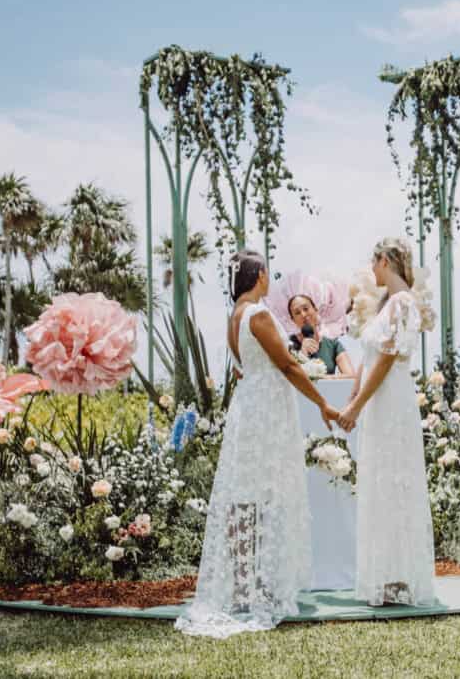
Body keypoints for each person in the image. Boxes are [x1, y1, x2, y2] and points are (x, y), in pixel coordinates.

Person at [175, 250, 341, 638]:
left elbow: (243, 368)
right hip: (266, 410)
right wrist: (322, 403)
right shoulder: (259, 315)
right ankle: (263, 583)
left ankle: (243, 581)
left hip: (247, 408)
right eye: (267, 272)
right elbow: (286, 365)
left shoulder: (234, 319)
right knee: (267, 494)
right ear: (260, 275)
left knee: (244, 495)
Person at [338, 238, 436, 607]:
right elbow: (370, 354)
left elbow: (388, 359)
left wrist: (357, 406)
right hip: (377, 401)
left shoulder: (404, 303)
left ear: (383, 260)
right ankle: (385, 575)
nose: (371, 270)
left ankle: (399, 577)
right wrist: (353, 394)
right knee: (379, 483)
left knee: (395, 482)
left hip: (390, 401)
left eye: (373, 262)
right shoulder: (385, 306)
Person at [288, 294, 354, 376]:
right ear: (293, 320)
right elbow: (289, 378)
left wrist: (324, 379)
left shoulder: (333, 344)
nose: (303, 315)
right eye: (297, 313)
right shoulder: (288, 345)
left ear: (315, 309)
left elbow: (351, 376)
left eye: (306, 309)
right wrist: (302, 354)